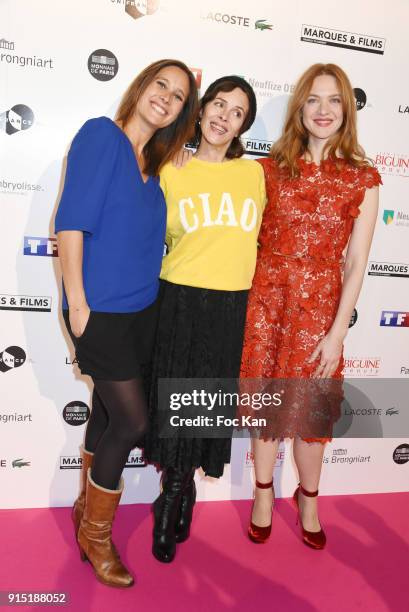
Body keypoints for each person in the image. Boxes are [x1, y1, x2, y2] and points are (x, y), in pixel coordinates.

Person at [55, 59, 198, 587]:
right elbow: (70, 221)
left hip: (144, 311)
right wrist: (76, 302)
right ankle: (95, 535)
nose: (166, 97)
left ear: (183, 112)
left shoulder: (158, 165)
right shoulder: (101, 137)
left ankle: (82, 509)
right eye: (161, 84)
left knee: (107, 415)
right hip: (100, 312)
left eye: (179, 95)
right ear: (141, 87)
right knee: (134, 424)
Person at [241, 63, 381, 549]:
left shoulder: (362, 178)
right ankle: (262, 495)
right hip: (266, 305)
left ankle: (310, 499)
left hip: (321, 311)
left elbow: (358, 262)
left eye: (334, 100)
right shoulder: (266, 170)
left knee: (311, 415)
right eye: (313, 99)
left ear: (347, 109)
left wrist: (338, 331)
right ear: (299, 107)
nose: (324, 110)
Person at [143, 75, 266, 563]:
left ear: (242, 127)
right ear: (201, 109)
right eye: (218, 104)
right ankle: (173, 495)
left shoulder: (254, 174)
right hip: (179, 299)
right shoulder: (172, 168)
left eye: (237, 112)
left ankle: (180, 490)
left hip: (230, 305)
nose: (224, 116)